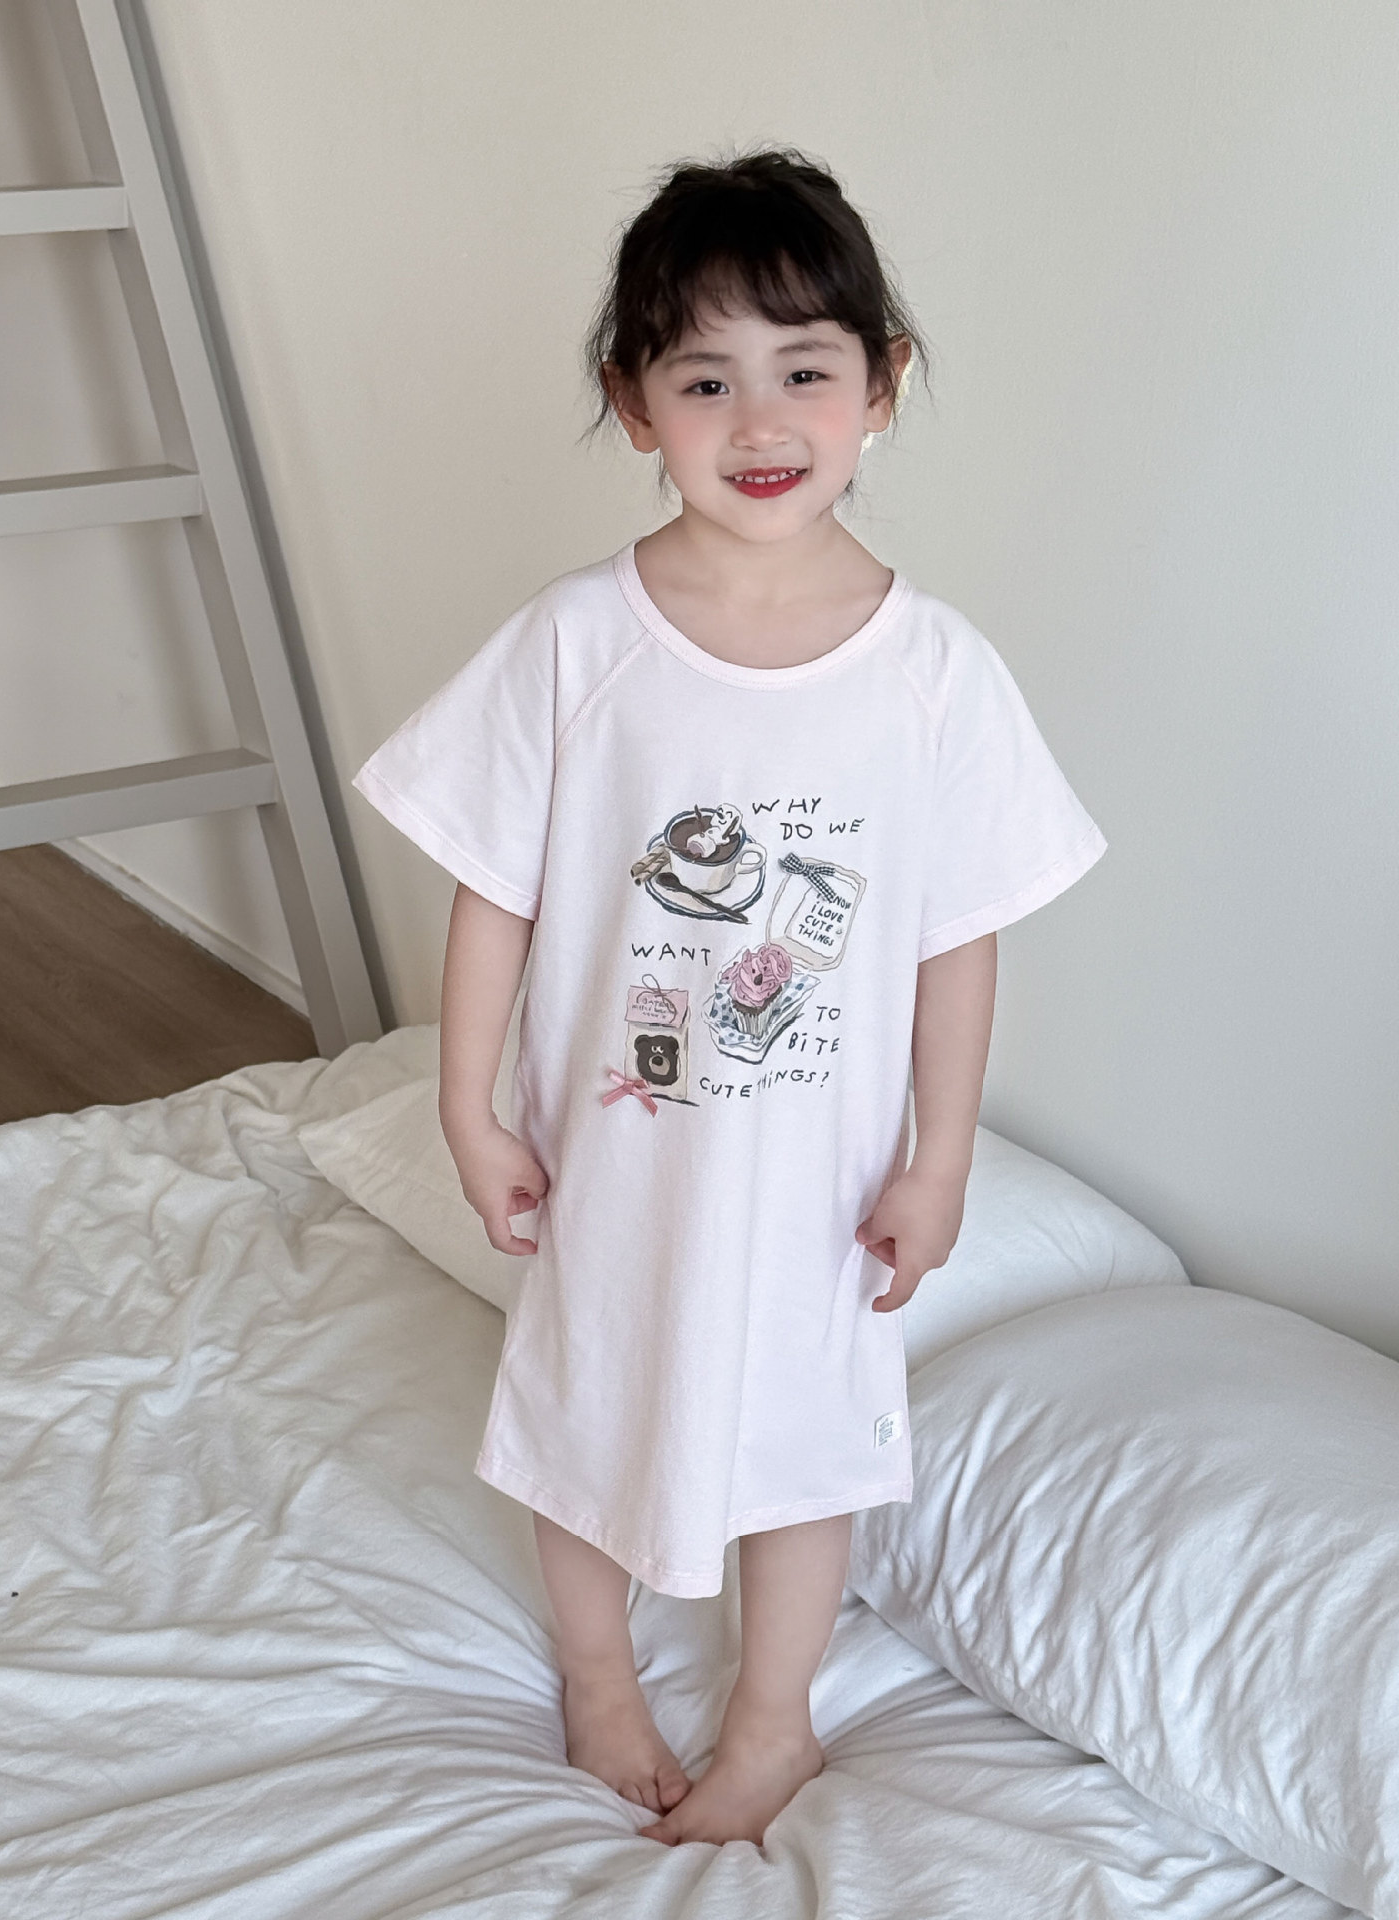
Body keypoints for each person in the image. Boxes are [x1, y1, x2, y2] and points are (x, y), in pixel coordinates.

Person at [353, 148, 1105, 1849]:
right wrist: (469, 1106)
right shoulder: (578, 641)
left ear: (881, 385)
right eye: (704, 379)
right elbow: (495, 887)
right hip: (619, 1152)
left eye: (804, 369)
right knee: (586, 1406)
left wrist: (940, 1159)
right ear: (634, 404)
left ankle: (775, 1722)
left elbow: (959, 933)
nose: (758, 419)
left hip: (821, 1177)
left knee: (808, 1437)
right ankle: (598, 1674)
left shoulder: (934, 672)